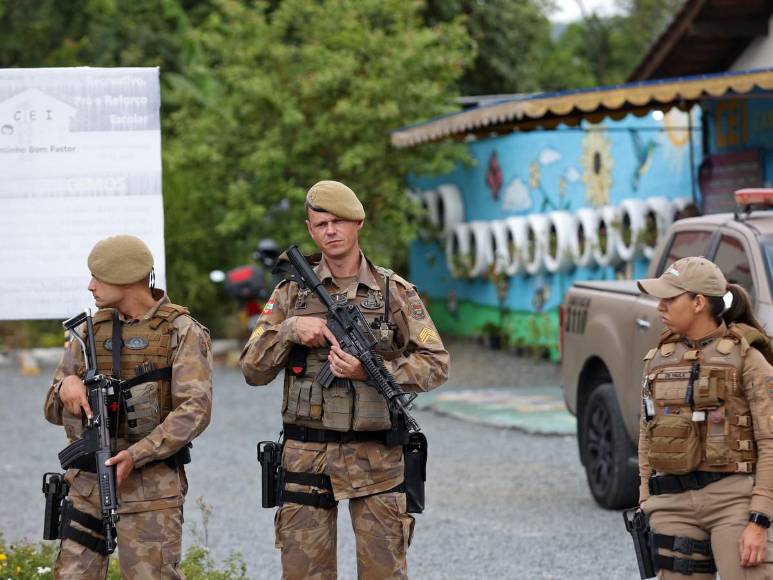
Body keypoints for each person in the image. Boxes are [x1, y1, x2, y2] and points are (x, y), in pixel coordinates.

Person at [240, 180, 449, 579]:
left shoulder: (392, 292)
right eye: (321, 224)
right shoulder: (290, 293)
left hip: (375, 456)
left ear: (358, 223)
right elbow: (252, 369)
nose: (330, 231)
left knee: (384, 573)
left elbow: (436, 363)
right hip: (306, 455)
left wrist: (373, 372)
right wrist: (289, 330)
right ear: (310, 229)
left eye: (339, 222)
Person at [44, 234, 213, 579]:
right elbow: (50, 409)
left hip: (151, 490)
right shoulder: (88, 332)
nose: (91, 286)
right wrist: (66, 386)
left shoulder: (181, 332)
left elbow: (194, 411)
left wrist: (136, 455)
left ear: (125, 278)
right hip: (87, 485)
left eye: (98, 277)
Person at [637, 256, 773, 578]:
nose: (660, 306)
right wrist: (645, 497)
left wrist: (759, 518)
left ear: (698, 303)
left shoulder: (748, 359)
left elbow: (770, 442)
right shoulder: (657, 361)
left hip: (733, 502)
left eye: (670, 298)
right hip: (671, 504)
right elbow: (646, 431)